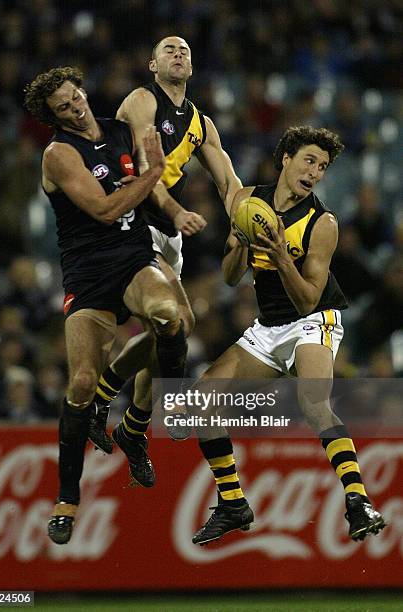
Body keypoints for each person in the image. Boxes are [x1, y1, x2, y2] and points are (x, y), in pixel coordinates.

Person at [187, 126, 386, 545]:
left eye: (322, 167)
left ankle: (358, 501)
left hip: (314, 319)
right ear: (286, 159)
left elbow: (306, 299)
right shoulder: (246, 202)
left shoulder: (322, 222)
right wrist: (241, 243)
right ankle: (233, 504)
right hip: (268, 326)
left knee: (313, 401)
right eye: (309, 161)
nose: (315, 172)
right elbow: (228, 277)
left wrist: (280, 256)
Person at [24, 66, 189, 545]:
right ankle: (67, 499)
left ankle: (140, 419)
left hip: (134, 255)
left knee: (170, 319)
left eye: (75, 95)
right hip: (89, 274)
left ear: (83, 89)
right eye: (62, 106)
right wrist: (151, 175)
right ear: (51, 117)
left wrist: (172, 206)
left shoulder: (120, 130)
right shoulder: (58, 153)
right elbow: (104, 209)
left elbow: (152, 178)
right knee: (79, 382)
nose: (75, 106)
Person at [88, 36, 242, 450]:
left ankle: (133, 425)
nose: (178, 54)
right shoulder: (142, 100)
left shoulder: (200, 123)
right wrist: (177, 212)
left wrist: (243, 222)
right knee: (172, 319)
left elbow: (229, 183)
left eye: (185, 51)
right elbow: (142, 171)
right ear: (152, 64)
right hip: (133, 218)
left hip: (168, 231)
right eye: (169, 50)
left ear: (192, 67)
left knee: (174, 329)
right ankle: (103, 401)